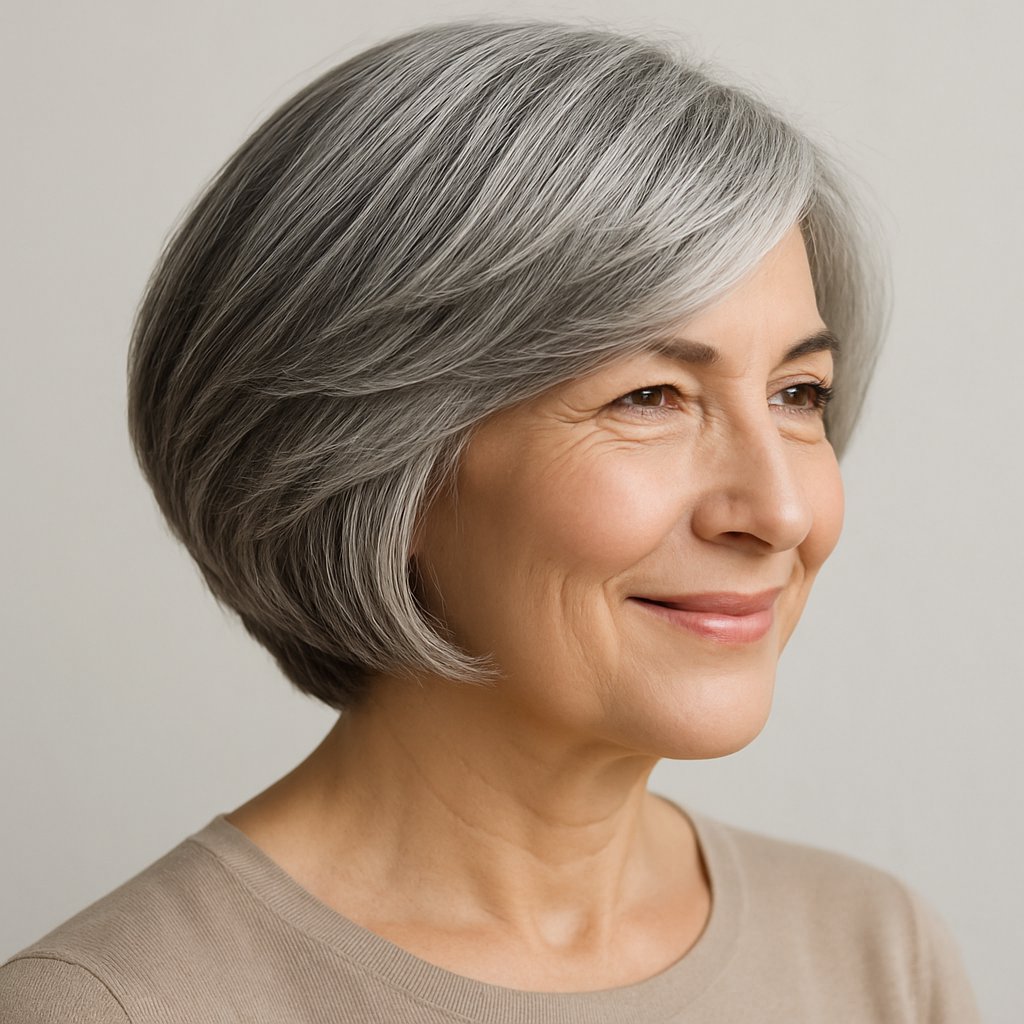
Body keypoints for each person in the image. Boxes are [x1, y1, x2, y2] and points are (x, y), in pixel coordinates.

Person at [0, 17, 980, 1023]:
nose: (777, 511)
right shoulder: (115, 1006)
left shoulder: (874, 953)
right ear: (376, 458)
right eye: (648, 397)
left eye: (798, 394)